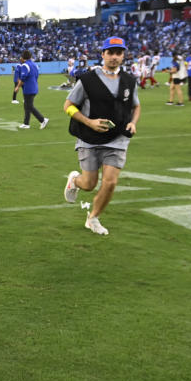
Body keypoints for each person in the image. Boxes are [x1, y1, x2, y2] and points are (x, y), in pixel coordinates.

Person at [62, 36, 140, 236]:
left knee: (111, 182)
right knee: (89, 184)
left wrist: (133, 122)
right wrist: (89, 122)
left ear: (123, 56)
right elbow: (68, 106)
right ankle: (75, 181)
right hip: (89, 138)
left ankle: (93, 218)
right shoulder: (87, 80)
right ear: (103, 54)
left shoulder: (130, 81)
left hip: (118, 140)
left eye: (118, 53)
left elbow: (136, 106)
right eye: (111, 53)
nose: (114, 57)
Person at [15, 50, 47, 129]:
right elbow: (36, 75)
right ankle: (26, 123)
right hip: (34, 86)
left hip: (29, 88)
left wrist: (17, 87)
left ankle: (42, 120)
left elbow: (23, 78)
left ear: (23, 57)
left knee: (29, 106)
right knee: (27, 105)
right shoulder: (35, 65)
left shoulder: (25, 65)